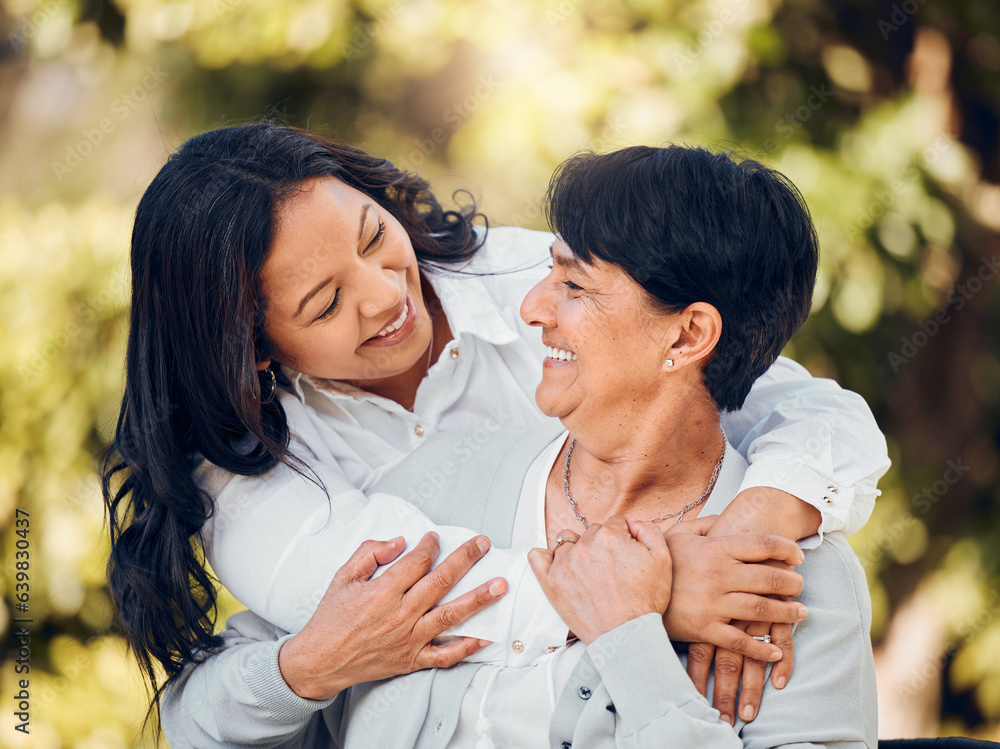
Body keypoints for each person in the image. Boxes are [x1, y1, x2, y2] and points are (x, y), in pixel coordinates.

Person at [102, 124, 887, 740]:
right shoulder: (259, 475)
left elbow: (800, 402)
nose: (384, 296)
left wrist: (755, 526)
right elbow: (403, 602)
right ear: (256, 348)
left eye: (376, 237)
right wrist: (658, 592)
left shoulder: (531, 280)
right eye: (325, 304)